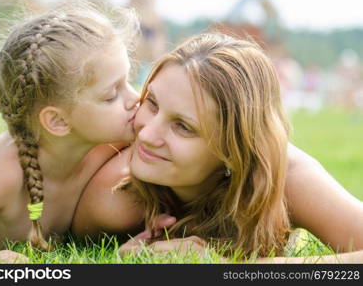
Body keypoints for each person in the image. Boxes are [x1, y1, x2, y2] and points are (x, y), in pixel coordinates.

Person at [72, 33, 363, 263]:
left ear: (234, 152)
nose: (146, 133)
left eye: (183, 127)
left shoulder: (285, 175)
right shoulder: (116, 197)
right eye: (152, 103)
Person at [0, 1, 140, 263]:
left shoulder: (105, 144)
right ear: (58, 121)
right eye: (112, 95)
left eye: (128, 81)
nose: (134, 98)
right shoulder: (4, 173)